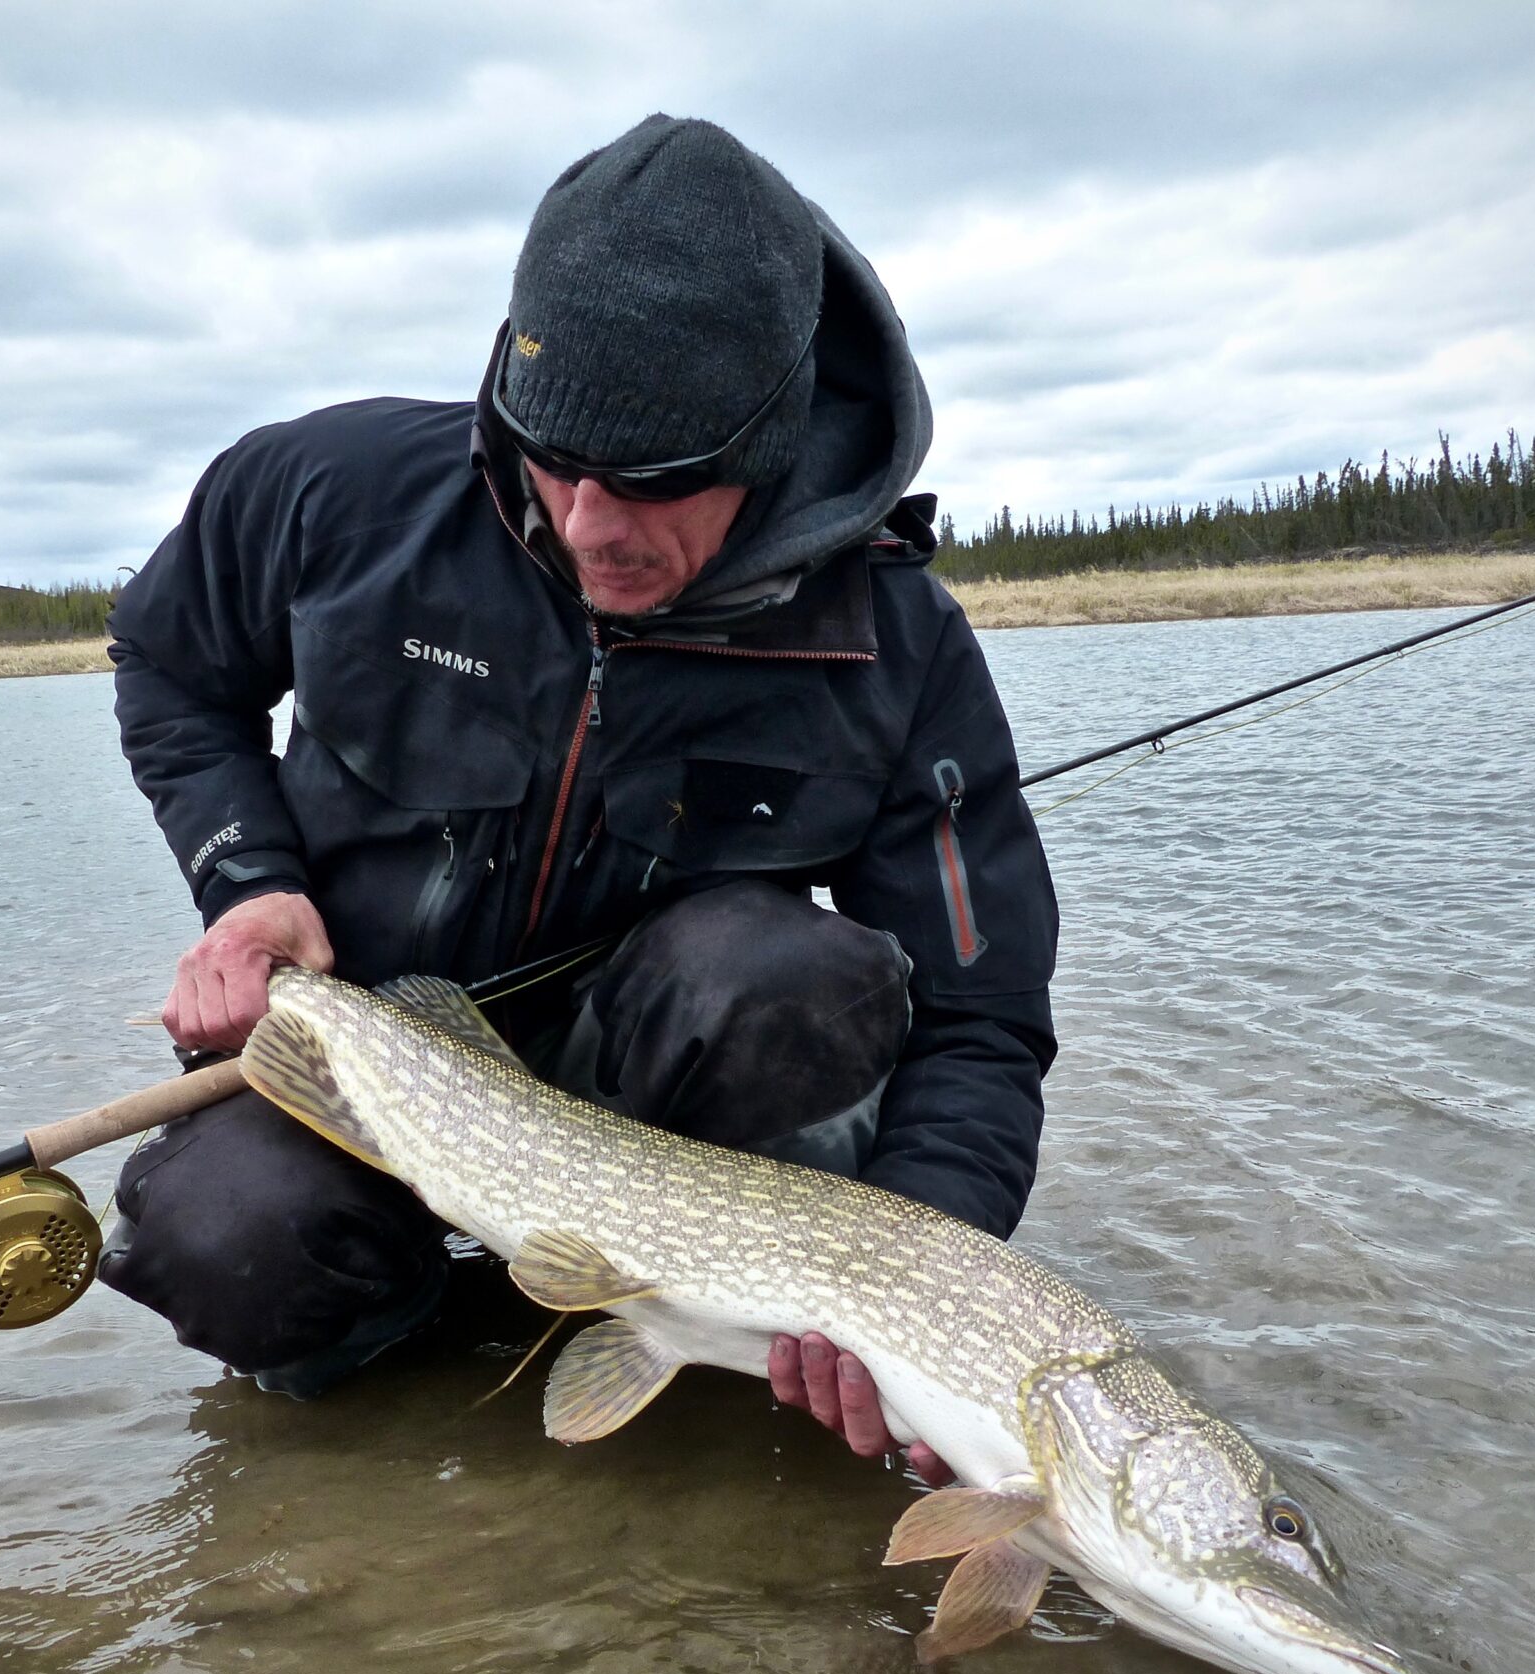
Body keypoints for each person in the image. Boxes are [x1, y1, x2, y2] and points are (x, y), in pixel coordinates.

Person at [100, 115, 1058, 1484]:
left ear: (770, 437)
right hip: (377, 1061)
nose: (597, 525)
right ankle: (421, 1319)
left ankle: (696, 1343)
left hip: (658, 1103)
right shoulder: (333, 491)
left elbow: (984, 1022)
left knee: (797, 975)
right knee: (233, 1247)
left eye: (660, 482)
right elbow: (169, 665)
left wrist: (907, 1289)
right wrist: (248, 880)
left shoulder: (894, 643)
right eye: (559, 463)